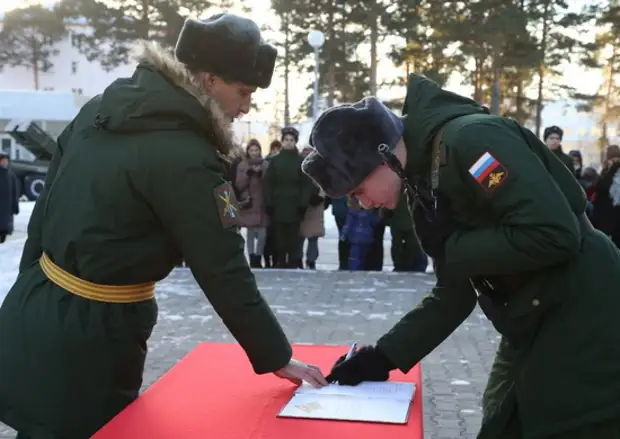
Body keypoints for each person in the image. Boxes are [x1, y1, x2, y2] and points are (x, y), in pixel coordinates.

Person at [0, 13, 327, 439]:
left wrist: (28, 290)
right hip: (93, 340)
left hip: (35, 310)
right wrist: (276, 355)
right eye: (243, 91)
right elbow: (223, 264)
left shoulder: (99, 110)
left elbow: (43, 216)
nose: (247, 105)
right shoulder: (190, 157)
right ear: (209, 81)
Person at [301, 74, 620, 439]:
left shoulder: (472, 142)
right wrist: (382, 357)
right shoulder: (422, 183)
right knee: (502, 419)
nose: (364, 203)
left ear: (384, 157)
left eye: (359, 190)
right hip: (530, 320)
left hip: (586, 311)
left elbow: (554, 232)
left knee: (566, 424)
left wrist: (455, 248)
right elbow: (452, 295)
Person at [262, 127, 312, 268]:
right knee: (279, 235)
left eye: (291, 140)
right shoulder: (275, 161)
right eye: (286, 140)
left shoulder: (301, 161)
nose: (289, 143)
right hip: (278, 203)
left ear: (295, 142)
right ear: (282, 142)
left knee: (293, 235)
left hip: (295, 203)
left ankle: (292, 261)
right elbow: (268, 184)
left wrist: (303, 203)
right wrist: (269, 203)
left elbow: (306, 184)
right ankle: (280, 260)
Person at [235, 139, 269, 268]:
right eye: (252, 150)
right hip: (249, 202)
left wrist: (261, 174)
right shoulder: (243, 165)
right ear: (248, 151)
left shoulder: (265, 164)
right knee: (250, 233)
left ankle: (258, 257)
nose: (254, 153)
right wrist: (248, 175)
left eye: (256, 150)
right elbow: (239, 185)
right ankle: (252, 258)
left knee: (262, 234)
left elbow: (269, 182)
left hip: (262, 203)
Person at [340, 196, 381, 270]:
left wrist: (343, 235)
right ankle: (362, 268)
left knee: (355, 256)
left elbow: (348, 224)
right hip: (367, 237)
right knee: (364, 256)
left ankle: (354, 269)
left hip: (354, 238)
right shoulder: (369, 213)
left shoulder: (352, 212)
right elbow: (375, 222)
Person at [0, 151, 20, 243]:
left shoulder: (11, 175)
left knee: (5, 228)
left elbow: (15, 192)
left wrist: (15, 206)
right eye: (2, 161)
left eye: (6, 161)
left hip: (8, 207)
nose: (4, 163)